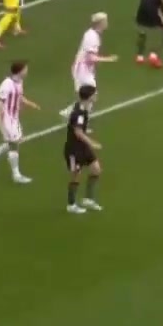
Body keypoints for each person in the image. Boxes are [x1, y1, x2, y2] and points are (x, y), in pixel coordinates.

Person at [0, 59, 37, 184]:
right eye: (25, 69)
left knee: (16, 140)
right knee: (14, 144)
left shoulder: (19, 82)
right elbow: (0, 102)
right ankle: (16, 175)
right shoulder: (6, 84)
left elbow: (19, 97)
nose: (27, 71)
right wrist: (0, 119)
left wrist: (29, 103)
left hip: (14, 117)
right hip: (7, 118)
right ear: (19, 71)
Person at [64, 83, 105, 214]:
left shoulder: (83, 107)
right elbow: (78, 132)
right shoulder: (80, 113)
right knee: (76, 176)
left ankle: (88, 199)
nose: (97, 95)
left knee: (96, 169)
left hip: (83, 146)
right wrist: (92, 143)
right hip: (74, 149)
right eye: (95, 94)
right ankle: (71, 205)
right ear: (89, 96)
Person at [70, 12, 114, 113]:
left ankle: (80, 115)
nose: (107, 23)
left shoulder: (91, 34)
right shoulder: (92, 37)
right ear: (100, 23)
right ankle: (73, 114)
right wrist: (108, 59)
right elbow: (90, 58)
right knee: (90, 95)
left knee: (88, 97)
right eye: (105, 21)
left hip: (84, 69)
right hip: (82, 70)